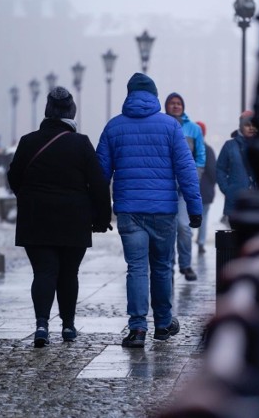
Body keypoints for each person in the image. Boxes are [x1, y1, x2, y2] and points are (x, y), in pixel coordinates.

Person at [96, 73, 202, 349]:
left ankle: (138, 328)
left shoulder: (113, 127)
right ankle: (164, 324)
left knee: (136, 268)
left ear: (128, 94)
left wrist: (98, 212)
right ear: (155, 96)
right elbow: (186, 170)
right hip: (163, 210)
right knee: (162, 266)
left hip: (129, 210)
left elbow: (100, 175)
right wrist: (195, 208)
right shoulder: (170, 126)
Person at [7, 86, 112, 348]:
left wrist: (29, 197)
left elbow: (13, 177)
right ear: (71, 112)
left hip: (36, 218)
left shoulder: (28, 141)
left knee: (43, 272)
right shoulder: (81, 143)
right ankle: (68, 325)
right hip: (73, 219)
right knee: (68, 273)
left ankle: (42, 324)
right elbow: (98, 184)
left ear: (47, 112)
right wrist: (101, 219)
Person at [164, 92, 205, 281]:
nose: (175, 106)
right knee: (167, 230)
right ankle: (168, 266)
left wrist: (193, 180)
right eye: (172, 103)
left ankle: (186, 264)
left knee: (184, 226)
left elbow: (200, 157)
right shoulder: (161, 126)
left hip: (183, 189)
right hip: (164, 188)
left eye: (178, 103)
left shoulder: (193, 129)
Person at [216, 110, 257, 227]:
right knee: (234, 238)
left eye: (254, 125)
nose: (251, 128)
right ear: (241, 126)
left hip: (257, 199)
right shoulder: (229, 145)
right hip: (235, 200)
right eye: (247, 125)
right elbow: (220, 169)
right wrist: (227, 189)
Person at [195, 121, 216, 255]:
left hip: (191, 191)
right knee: (203, 217)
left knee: (186, 218)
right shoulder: (208, 150)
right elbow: (213, 171)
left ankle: (186, 240)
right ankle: (201, 242)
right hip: (205, 191)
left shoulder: (188, 148)